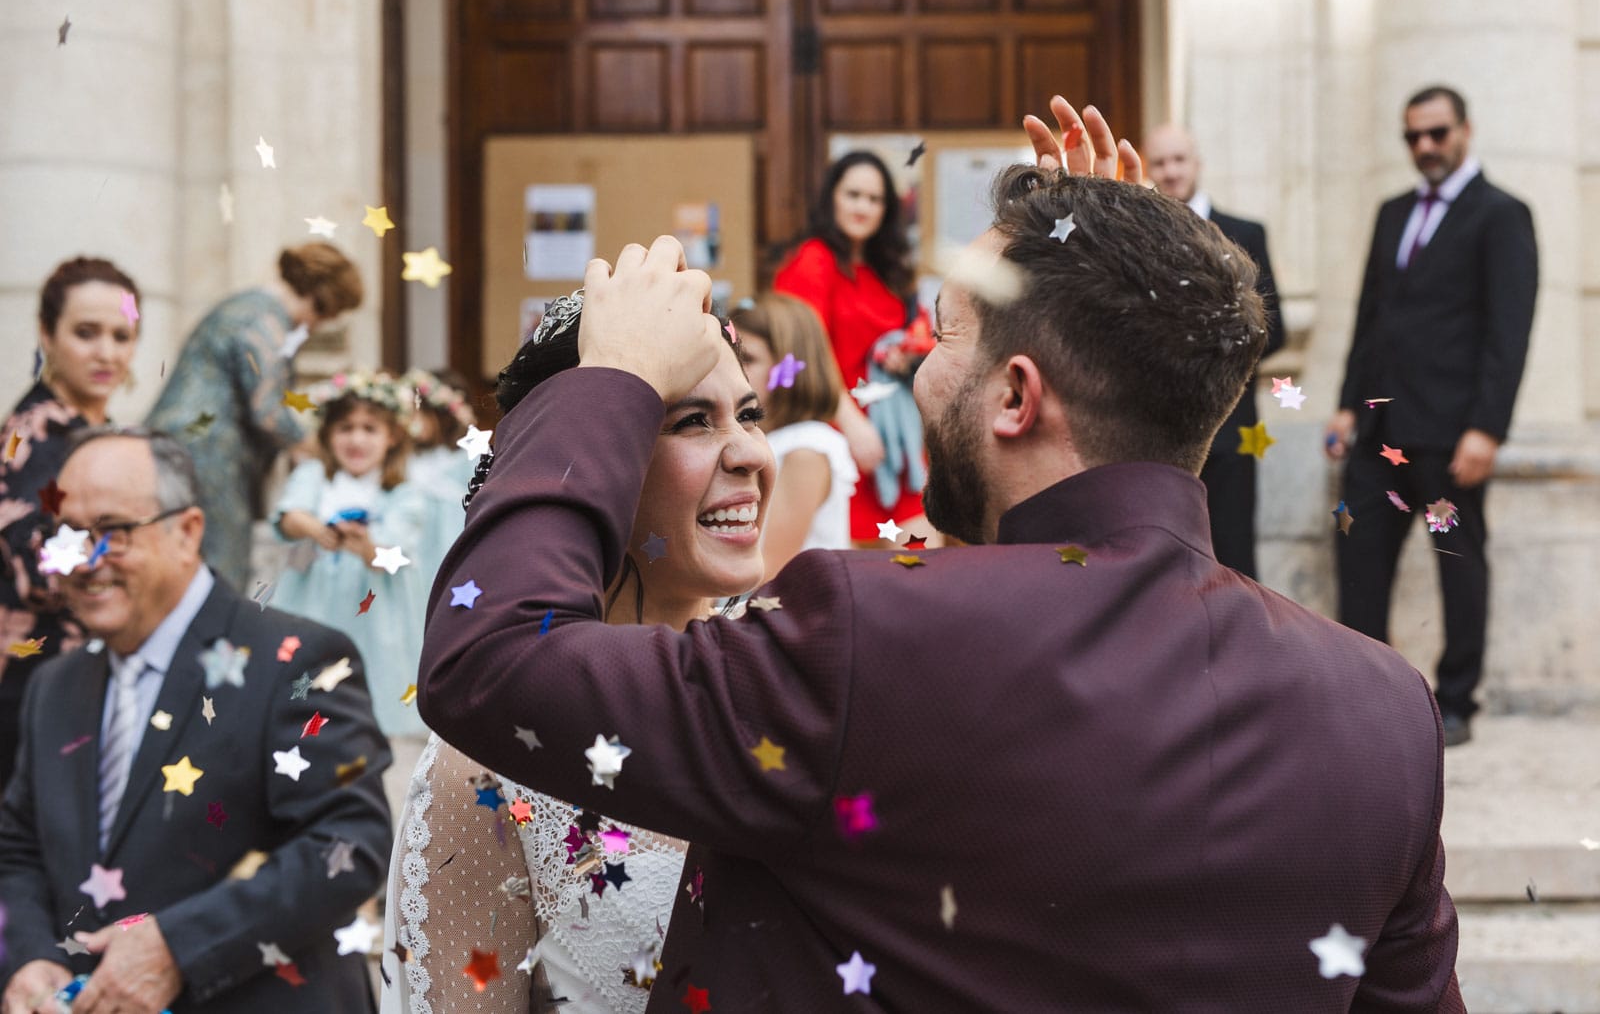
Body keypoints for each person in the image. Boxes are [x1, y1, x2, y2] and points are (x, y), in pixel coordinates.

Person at [417, 98, 1462, 1010]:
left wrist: (614, 380)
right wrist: (1133, 310)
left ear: (1014, 395)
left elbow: (491, 658)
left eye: (943, 332)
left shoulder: (866, 636)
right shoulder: (1382, 709)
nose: (919, 362)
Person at [382, 294, 773, 1013]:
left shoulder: (798, 678)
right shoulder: (489, 766)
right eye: (693, 421)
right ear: (595, 461)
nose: (749, 453)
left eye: (749, 414)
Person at [0, 428, 391, 1013]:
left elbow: (348, 845)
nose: (86, 560)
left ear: (187, 532)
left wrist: (175, 948)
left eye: (112, 531)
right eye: (69, 535)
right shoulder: (54, 686)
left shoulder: (297, 659)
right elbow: (19, 847)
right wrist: (34, 957)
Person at [1325, 85, 1537, 748]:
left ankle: (1455, 701)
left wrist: (1488, 428)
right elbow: (1371, 318)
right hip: (1377, 437)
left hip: (1449, 441)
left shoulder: (1502, 216)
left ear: (1465, 131)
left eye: (1437, 134)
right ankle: (1365, 690)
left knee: (1457, 561)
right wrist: (1342, 401)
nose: (1425, 147)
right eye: (1413, 136)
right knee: (1357, 555)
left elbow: (1509, 330)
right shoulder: (1393, 213)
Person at [147, 242, 363, 591]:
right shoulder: (267, 320)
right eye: (327, 316)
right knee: (219, 567)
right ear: (322, 300)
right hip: (209, 454)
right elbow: (269, 412)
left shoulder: (244, 307)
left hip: (174, 448)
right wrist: (321, 450)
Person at [0, 258, 141, 793]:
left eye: (121, 335)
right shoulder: (39, 431)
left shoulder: (93, 431)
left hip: (82, 679)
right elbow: (32, 566)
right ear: (47, 334)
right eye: (86, 333)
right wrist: (124, 545)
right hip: (34, 681)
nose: (107, 352)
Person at [1144, 123, 1286, 579]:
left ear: (1197, 163)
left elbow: (1274, 329)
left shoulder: (1246, 233)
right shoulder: (1137, 240)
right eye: (1161, 163)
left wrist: (1199, 353)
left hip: (1232, 428)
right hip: (1156, 431)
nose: (1170, 172)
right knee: (1166, 560)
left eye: (1179, 160)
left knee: (1234, 554)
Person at [775, 151, 929, 544]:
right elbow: (800, 353)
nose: (863, 206)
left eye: (875, 199)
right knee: (855, 576)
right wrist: (852, 425)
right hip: (841, 439)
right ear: (832, 198)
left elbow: (920, 329)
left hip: (897, 442)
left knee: (920, 561)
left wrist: (904, 352)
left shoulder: (889, 269)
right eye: (853, 194)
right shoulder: (813, 261)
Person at [270, 371, 429, 745]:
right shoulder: (314, 477)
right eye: (345, 428)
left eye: (369, 429)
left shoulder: (403, 494)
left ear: (392, 437)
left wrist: (365, 546)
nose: (356, 439)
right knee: (307, 684)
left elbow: (392, 556)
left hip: (374, 614)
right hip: (313, 604)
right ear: (327, 435)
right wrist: (317, 530)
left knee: (370, 693)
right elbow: (289, 516)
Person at [729, 294, 857, 574]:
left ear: (790, 370)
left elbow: (772, 567)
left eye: (748, 359)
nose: (735, 370)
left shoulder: (806, 448)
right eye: (731, 356)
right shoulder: (759, 438)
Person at [398, 368, 477, 592]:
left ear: (443, 415)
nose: (413, 420)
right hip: (411, 544)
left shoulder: (466, 456)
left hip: (448, 542)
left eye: (420, 412)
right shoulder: (405, 456)